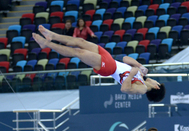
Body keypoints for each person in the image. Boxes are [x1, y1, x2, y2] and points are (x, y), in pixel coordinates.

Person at [32, 25, 165, 102]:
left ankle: (46, 44)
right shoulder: (142, 77)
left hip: (109, 68)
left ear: (156, 87)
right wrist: (140, 66)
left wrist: (131, 74)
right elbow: (125, 59)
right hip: (111, 59)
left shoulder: (142, 89)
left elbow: (124, 89)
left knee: (78, 52)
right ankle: (52, 36)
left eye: (157, 82)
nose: (154, 80)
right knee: (80, 42)